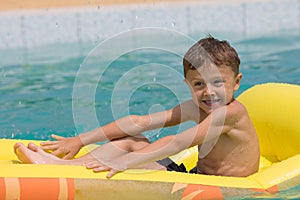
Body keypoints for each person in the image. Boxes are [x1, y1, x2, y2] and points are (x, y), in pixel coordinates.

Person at [14, 36, 260, 178]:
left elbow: (179, 142)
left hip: (227, 190)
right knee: (133, 138)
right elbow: (140, 121)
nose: (208, 92)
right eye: (199, 84)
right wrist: (79, 140)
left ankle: (59, 167)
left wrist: (125, 162)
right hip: (197, 176)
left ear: (236, 82)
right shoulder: (200, 108)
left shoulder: (230, 113)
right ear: (187, 83)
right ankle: (64, 166)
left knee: (137, 153)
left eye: (218, 82)